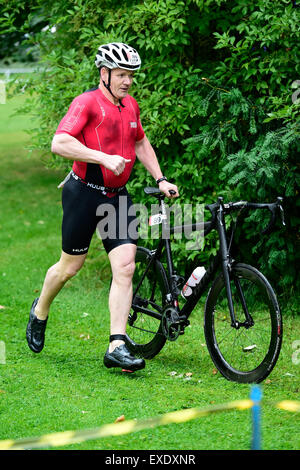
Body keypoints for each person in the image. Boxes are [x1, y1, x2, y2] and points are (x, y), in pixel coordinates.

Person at [26, 42, 179, 372]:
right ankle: (40, 309)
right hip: (84, 194)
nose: (127, 81)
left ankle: (117, 344)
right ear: (104, 73)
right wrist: (103, 157)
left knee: (125, 266)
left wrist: (161, 177)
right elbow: (60, 142)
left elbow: (140, 141)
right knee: (69, 268)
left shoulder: (130, 106)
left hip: (117, 196)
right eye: (121, 74)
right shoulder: (87, 103)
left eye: (130, 75)